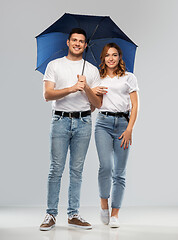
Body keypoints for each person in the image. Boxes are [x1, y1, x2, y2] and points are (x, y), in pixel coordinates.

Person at [39, 28, 102, 231]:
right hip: (60, 121)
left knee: (77, 170)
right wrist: (72, 88)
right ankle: (50, 214)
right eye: (74, 40)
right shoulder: (54, 65)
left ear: (86, 45)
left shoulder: (92, 70)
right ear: (68, 42)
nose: (77, 43)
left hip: (84, 122)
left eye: (81, 41)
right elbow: (47, 95)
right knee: (55, 169)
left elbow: (98, 104)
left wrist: (86, 89)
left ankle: (73, 214)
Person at [93, 43, 139, 228]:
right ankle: (104, 205)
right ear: (103, 58)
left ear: (119, 57)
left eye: (114, 55)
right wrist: (92, 91)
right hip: (103, 124)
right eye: (107, 55)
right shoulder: (98, 78)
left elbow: (135, 105)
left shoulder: (129, 78)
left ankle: (115, 214)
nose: (110, 58)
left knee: (119, 172)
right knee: (106, 166)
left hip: (123, 125)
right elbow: (94, 105)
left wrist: (129, 129)